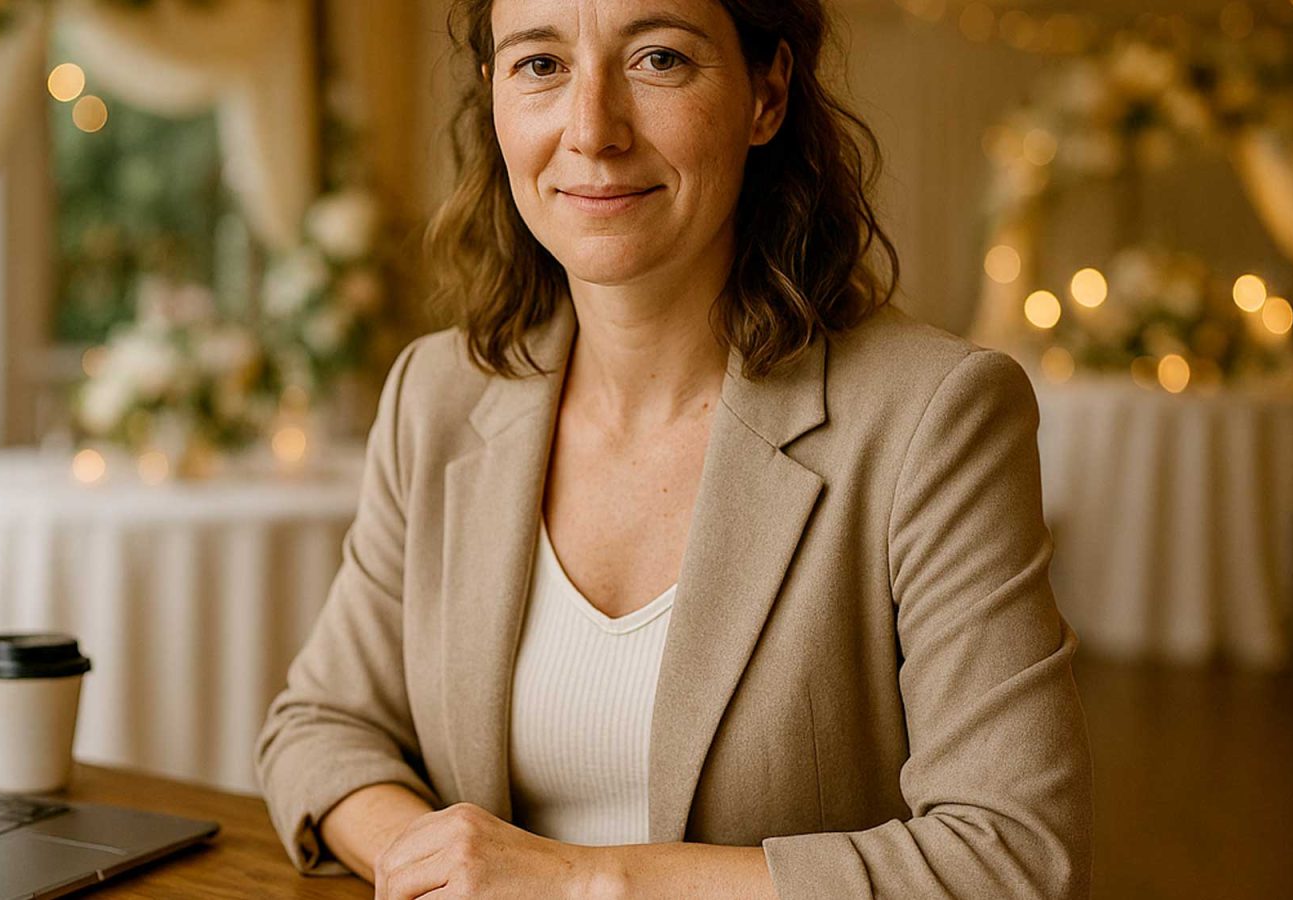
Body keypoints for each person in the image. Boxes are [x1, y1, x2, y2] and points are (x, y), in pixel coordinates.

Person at [256, 0, 1091, 896]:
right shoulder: (439, 394)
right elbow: (318, 727)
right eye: (541, 65)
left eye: (658, 59)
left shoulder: (935, 416)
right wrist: (437, 865)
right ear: (493, 98)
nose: (592, 130)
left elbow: (1013, 857)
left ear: (767, 94)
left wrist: (582, 884)